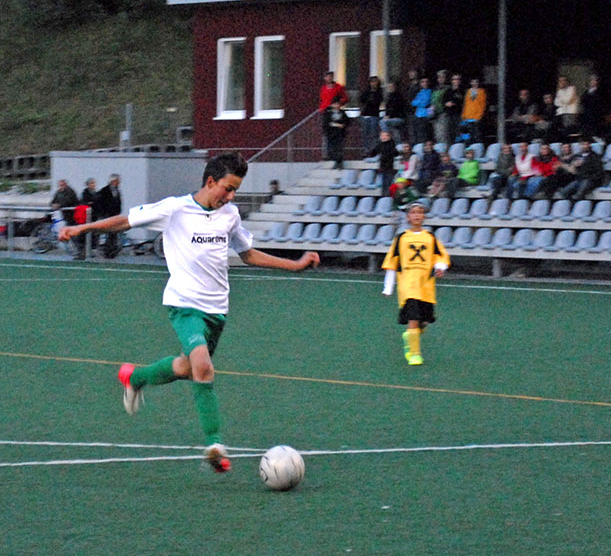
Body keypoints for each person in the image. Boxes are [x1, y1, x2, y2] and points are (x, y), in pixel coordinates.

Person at [58, 153, 321, 474]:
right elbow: (125, 221)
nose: (231, 196)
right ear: (210, 181)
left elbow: (248, 254)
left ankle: (136, 378)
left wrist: (294, 265)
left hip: (217, 311)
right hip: (184, 305)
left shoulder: (230, 215)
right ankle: (215, 445)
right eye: (228, 188)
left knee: (187, 367)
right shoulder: (174, 209)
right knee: (203, 368)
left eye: (235, 190)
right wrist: (82, 228)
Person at [381, 201, 450, 366]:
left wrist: (440, 267)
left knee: (425, 321)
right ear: (408, 217)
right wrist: (388, 287)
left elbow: (441, 256)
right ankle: (414, 354)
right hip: (408, 285)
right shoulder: (401, 238)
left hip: (426, 286)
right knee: (413, 318)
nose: (417, 215)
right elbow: (392, 262)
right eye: (413, 212)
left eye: (420, 212)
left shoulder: (430, 237)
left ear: (424, 216)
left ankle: (410, 337)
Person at [358, 76, 383, 155]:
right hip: (365, 114)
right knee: (365, 134)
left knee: (374, 133)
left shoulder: (379, 92)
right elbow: (361, 100)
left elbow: (377, 102)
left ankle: (374, 150)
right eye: (372, 82)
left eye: (375, 82)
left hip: (374, 114)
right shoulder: (366, 92)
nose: (373, 83)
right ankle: (366, 150)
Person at [324, 98, 349, 169]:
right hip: (331, 133)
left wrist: (343, 125)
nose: (336, 105)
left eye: (338, 104)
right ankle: (335, 160)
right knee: (332, 148)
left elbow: (347, 121)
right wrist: (337, 125)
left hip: (340, 133)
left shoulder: (342, 112)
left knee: (339, 148)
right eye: (335, 104)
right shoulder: (328, 112)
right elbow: (326, 122)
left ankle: (339, 162)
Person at [459, 77, 486, 143]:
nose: (474, 83)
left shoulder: (481, 92)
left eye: (476, 82)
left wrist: (478, 117)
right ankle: (467, 145)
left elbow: (482, 105)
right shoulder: (468, 92)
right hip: (467, 117)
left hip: (476, 118)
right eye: (472, 82)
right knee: (466, 135)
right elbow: (465, 104)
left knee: (476, 135)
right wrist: (463, 115)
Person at [372, 130, 398, 197]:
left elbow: (395, 153)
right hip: (383, 167)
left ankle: (387, 196)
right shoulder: (380, 145)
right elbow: (374, 152)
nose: (383, 137)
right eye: (382, 136)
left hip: (389, 167)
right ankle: (384, 196)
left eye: (385, 136)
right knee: (384, 183)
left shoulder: (391, 144)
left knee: (388, 183)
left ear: (389, 137)